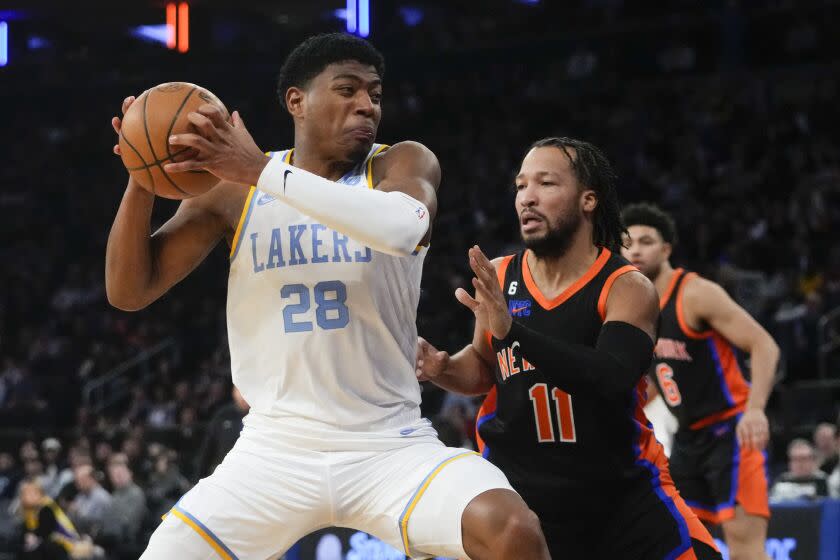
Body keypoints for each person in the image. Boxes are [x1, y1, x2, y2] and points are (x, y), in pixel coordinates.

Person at [107, 33, 548, 559]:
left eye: (375, 94)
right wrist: (143, 173)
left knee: (511, 530)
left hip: (389, 445)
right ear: (297, 101)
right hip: (273, 452)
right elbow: (129, 291)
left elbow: (403, 227)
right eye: (347, 90)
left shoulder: (401, 164)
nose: (367, 105)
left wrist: (260, 171)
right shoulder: (233, 190)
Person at [416, 137, 720, 559]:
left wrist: (512, 331)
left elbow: (610, 376)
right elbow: (486, 369)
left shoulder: (626, 287)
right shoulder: (501, 275)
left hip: (620, 497)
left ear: (588, 200)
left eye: (546, 184)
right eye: (521, 186)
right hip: (523, 500)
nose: (528, 198)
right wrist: (441, 367)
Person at [621, 202, 779, 560]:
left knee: (744, 547)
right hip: (688, 438)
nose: (635, 250)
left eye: (646, 241)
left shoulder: (694, 293)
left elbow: (764, 345)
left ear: (666, 250)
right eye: (628, 242)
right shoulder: (634, 305)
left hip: (733, 430)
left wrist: (756, 410)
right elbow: (662, 372)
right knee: (684, 544)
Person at [16, 477, 80, 559]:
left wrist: (33, 537)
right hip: (49, 542)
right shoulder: (30, 510)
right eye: (24, 494)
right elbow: (28, 529)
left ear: (39, 494)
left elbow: (46, 530)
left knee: (36, 549)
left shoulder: (46, 507)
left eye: (31, 493)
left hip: (67, 543)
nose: (25, 497)